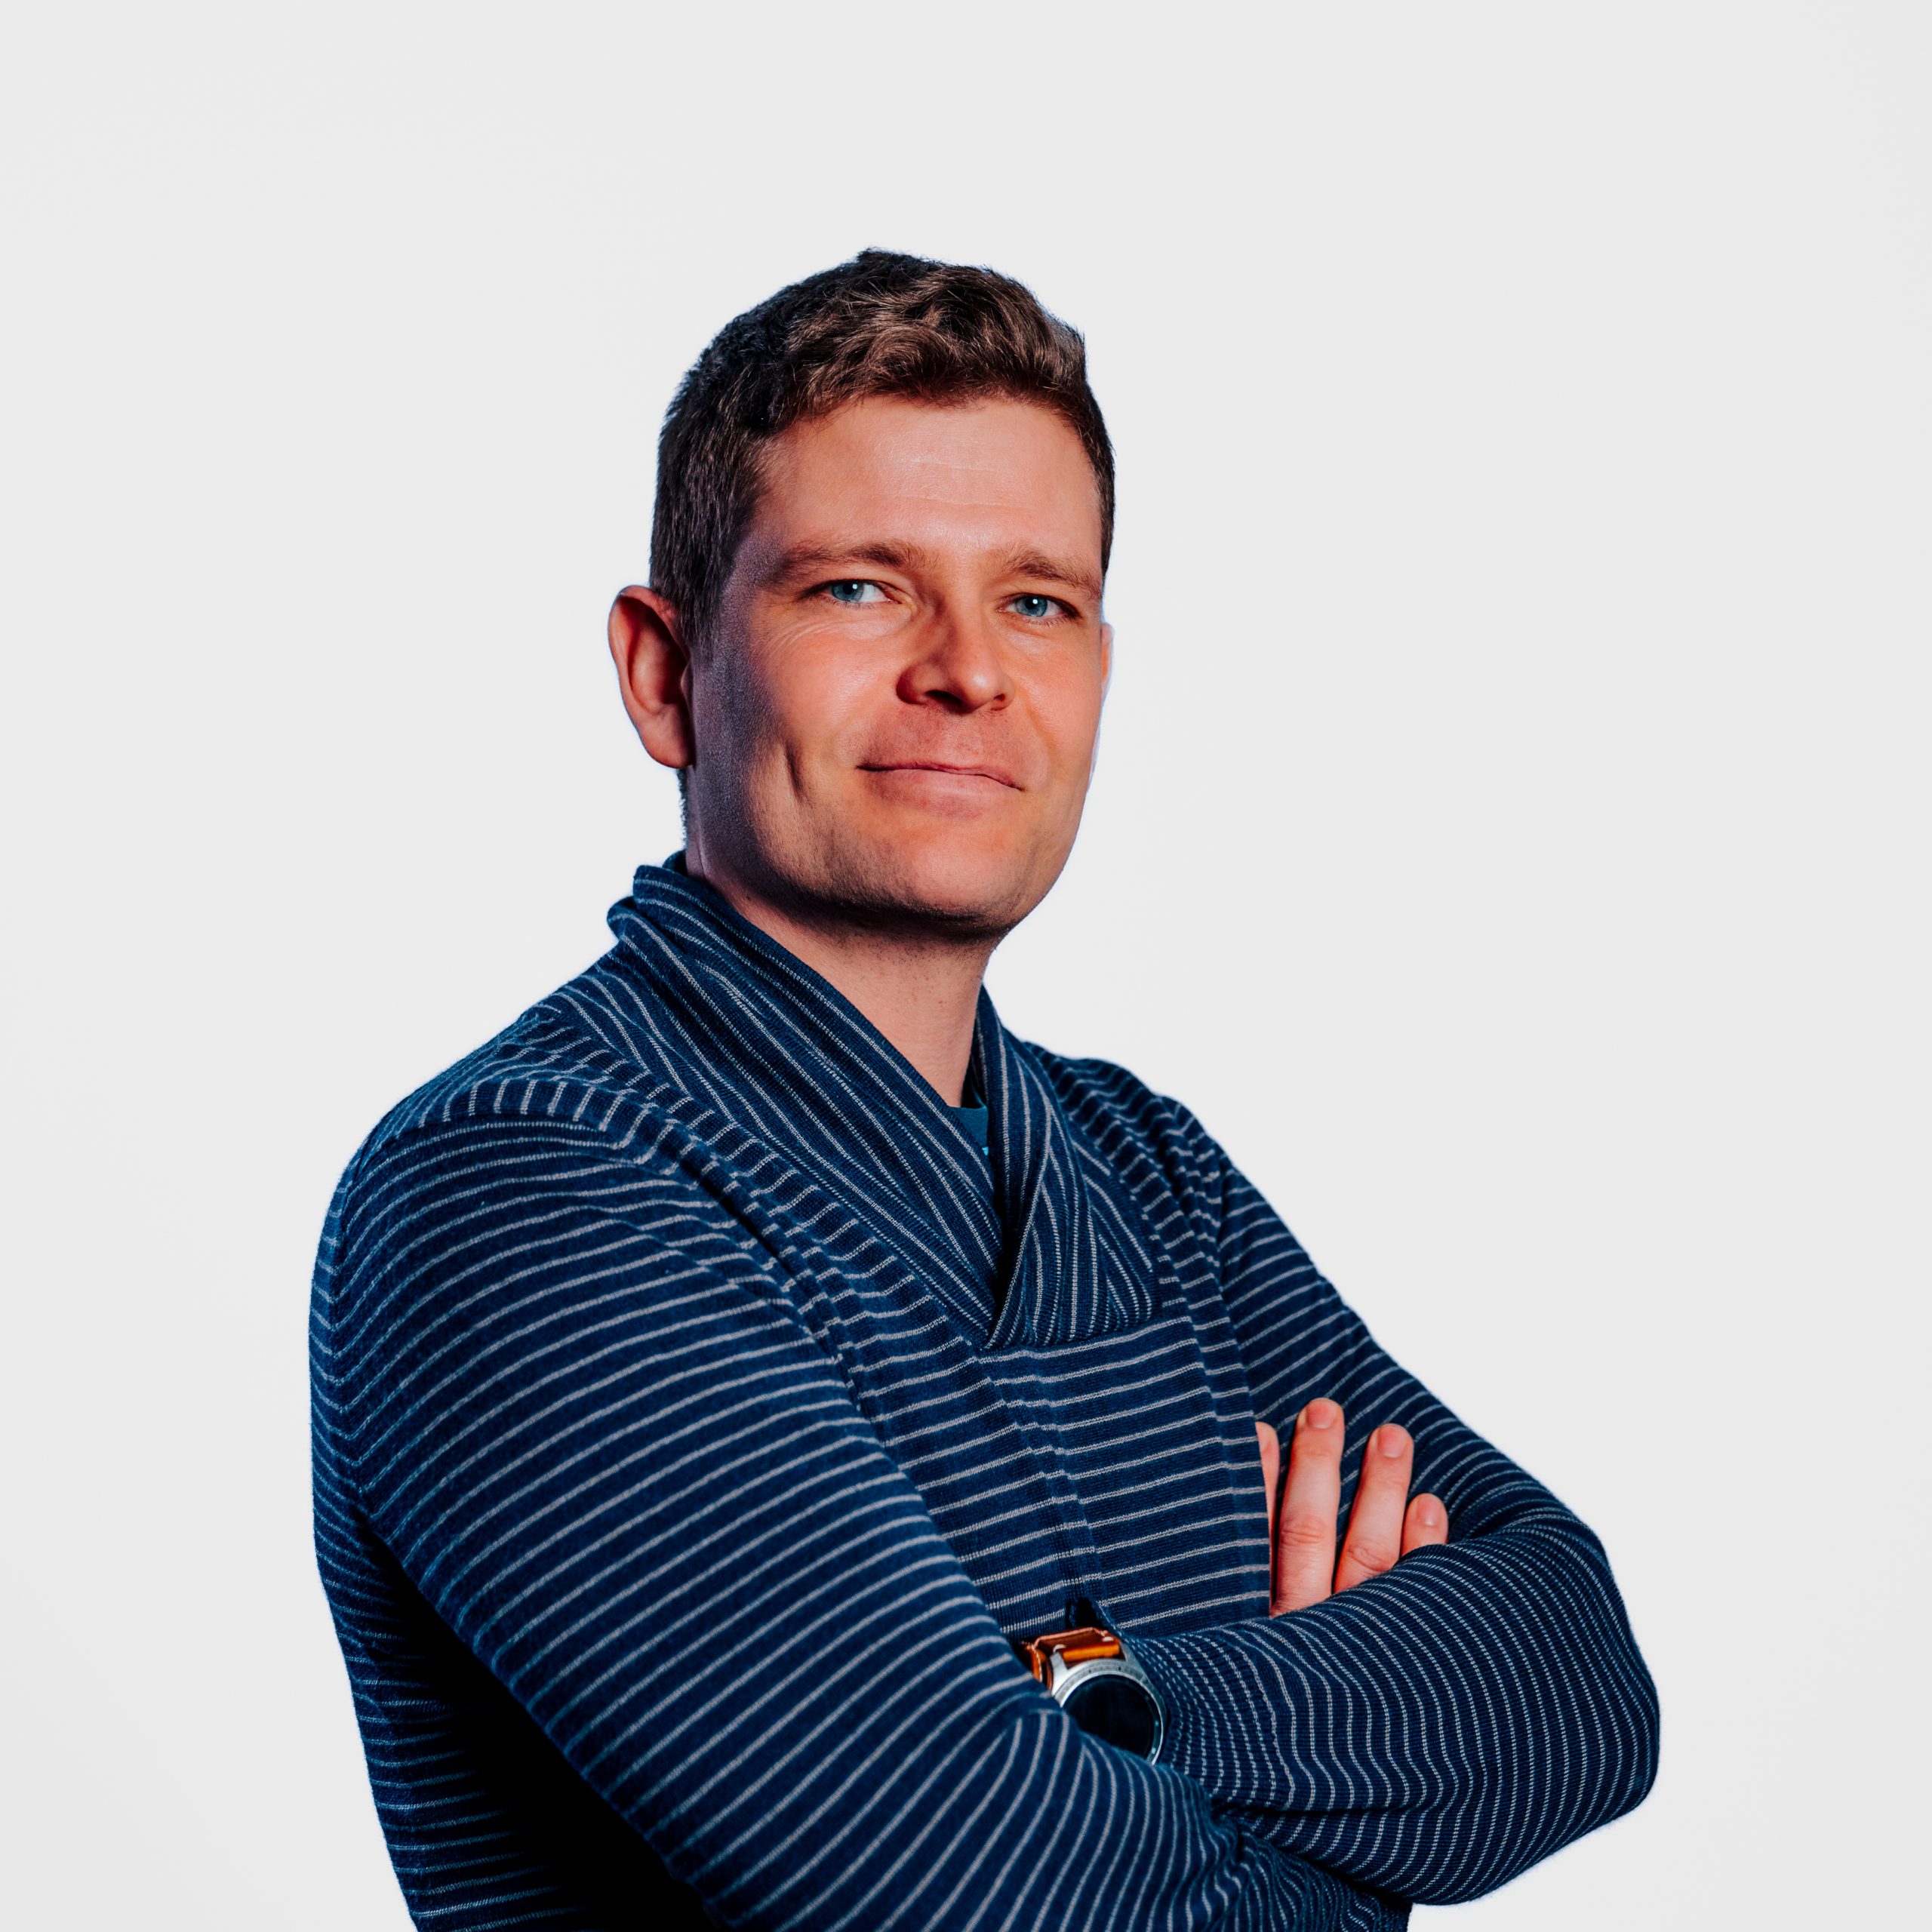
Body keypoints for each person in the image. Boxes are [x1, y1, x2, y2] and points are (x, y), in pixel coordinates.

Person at [311, 250, 1658, 1930]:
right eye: (858, 587)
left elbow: (1578, 1685)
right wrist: (1345, 1760)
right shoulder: (523, 1188)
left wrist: (1109, 1700)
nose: (968, 671)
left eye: (1036, 602)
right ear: (664, 673)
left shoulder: (1145, 1171)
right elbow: (973, 1893)